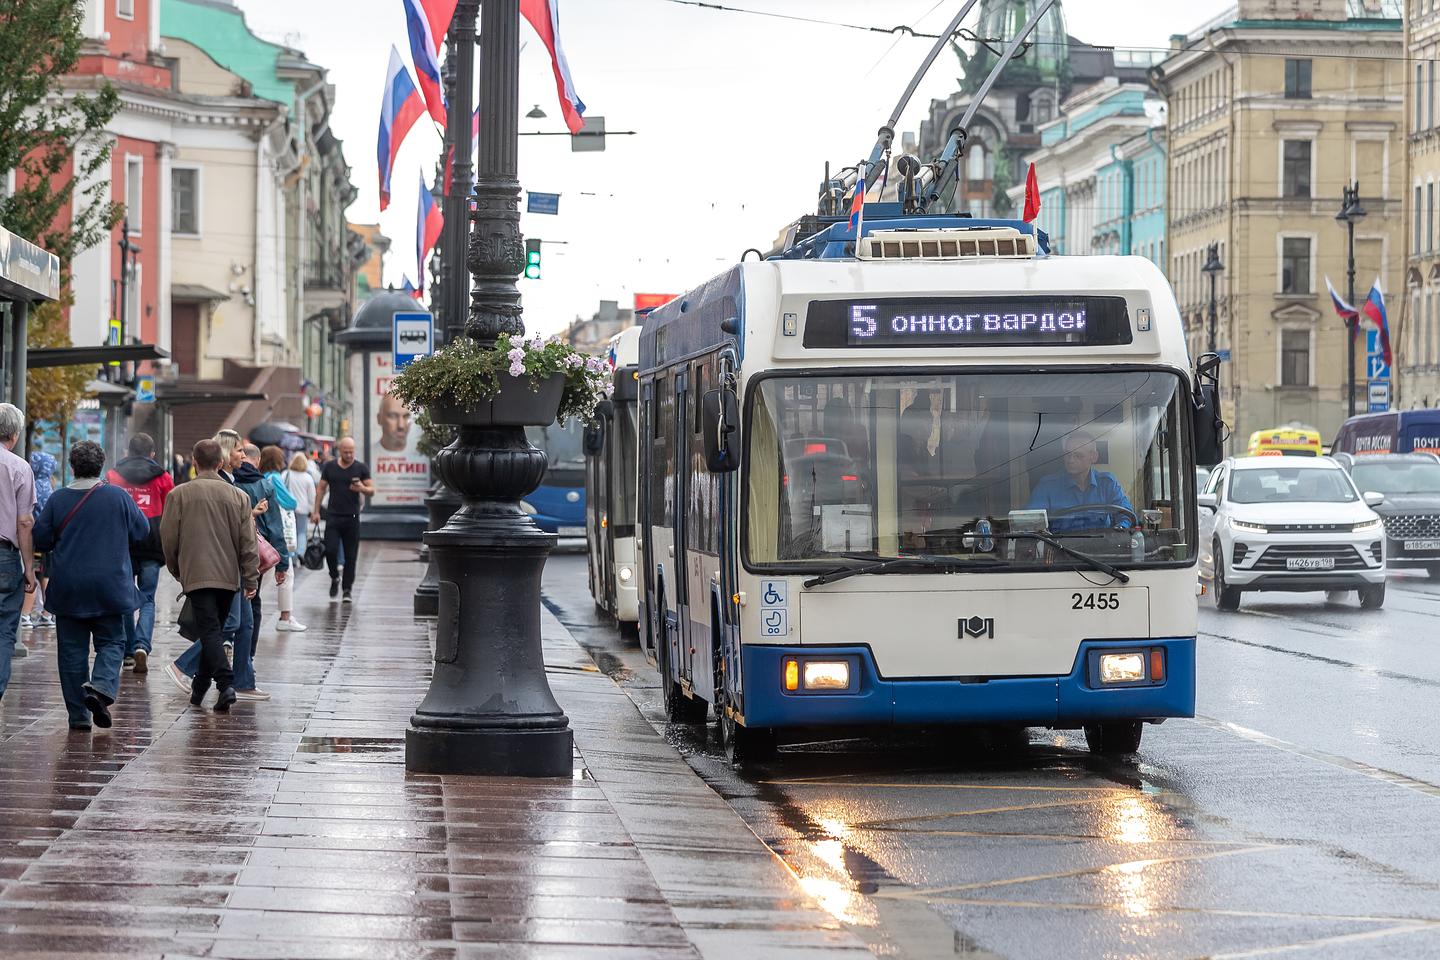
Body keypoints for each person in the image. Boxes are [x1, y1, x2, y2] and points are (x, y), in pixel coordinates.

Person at [34, 441, 149, 731]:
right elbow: (142, 531)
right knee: (112, 642)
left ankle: (78, 717)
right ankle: (99, 687)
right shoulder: (118, 497)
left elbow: (41, 539)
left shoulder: (58, 500)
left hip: (69, 587)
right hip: (110, 586)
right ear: (101, 466)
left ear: (72, 466)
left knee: (71, 652)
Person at [160, 439, 259, 712]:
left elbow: (168, 538)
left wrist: (176, 569)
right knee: (213, 630)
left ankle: (225, 683)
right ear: (220, 463)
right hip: (229, 577)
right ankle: (200, 688)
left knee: (211, 631)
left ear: (194, 461)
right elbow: (248, 543)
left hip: (197, 574)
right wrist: (250, 578)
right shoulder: (239, 497)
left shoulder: (179, 495)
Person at [107, 433, 174, 674]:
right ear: (152, 453)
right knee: (147, 598)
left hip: (121, 542)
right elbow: (170, 512)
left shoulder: (114, 475)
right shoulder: (163, 477)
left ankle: (127, 652)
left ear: (127, 451)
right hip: (151, 543)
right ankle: (142, 645)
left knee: (125, 597)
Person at [1026, 431, 1135, 533]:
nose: (1070, 460)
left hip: (1102, 548)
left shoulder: (1107, 484)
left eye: (1078, 455)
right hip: (1060, 549)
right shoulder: (1047, 486)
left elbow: (1126, 515)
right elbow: (1031, 522)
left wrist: (1119, 529)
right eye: (1068, 454)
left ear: (1094, 457)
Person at [0, 403, 36, 702]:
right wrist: (29, 567)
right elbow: (24, 522)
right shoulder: (19, 468)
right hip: (5, 556)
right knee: (3, 631)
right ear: (13, 435)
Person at [311, 436, 373, 602]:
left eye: (352, 452)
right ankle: (334, 577)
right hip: (333, 517)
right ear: (339, 451)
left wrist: (362, 488)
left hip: (352, 518)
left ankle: (347, 589)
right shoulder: (330, 467)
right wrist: (316, 511)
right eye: (346, 452)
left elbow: (372, 490)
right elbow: (321, 489)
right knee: (330, 550)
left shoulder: (361, 468)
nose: (349, 455)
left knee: (350, 556)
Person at [260, 445, 305, 632]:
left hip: (263, 530)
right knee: (287, 574)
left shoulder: (261, 478)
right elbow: (290, 502)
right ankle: (285, 617)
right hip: (277, 530)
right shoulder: (275, 478)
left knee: (263, 573)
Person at [22, 446, 57, 630]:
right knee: (46, 575)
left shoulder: (32, 486)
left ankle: (25, 614)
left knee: (33, 574)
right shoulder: (50, 488)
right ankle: (47, 614)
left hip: (34, 543)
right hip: (48, 543)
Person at [285, 452, 316, 559]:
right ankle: (300, 553)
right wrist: (313, 511)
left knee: (290, 531)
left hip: (288, 508)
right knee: (302, 531)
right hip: (303, 509)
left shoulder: (286, 474)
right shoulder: (308, 477)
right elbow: (312, 496)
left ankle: (291, 555)